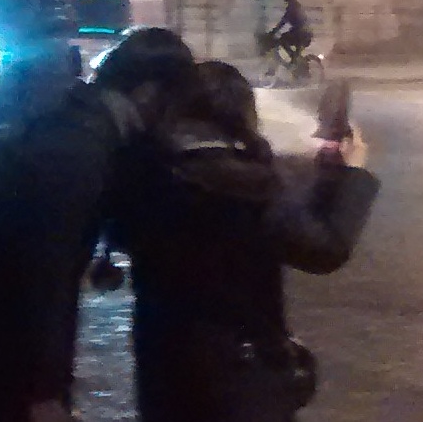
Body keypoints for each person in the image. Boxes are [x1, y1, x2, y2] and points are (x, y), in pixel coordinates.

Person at [113, 61, 378, 422]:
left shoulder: (148, 171)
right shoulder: (241, 182)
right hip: (240, 373)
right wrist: (353, 173)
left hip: (164, 364)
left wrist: (322, 177)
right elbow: (322, 248)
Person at [0, 26, 196, 422]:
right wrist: (44, 390)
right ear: (149, 93)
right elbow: (45, 271)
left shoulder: (79, 123)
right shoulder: (81, 147)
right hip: (1, 340)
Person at [268, 0, 311, 71]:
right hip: (303, 34)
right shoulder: (297, 8)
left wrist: (274, 31)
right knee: (285, 38)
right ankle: (294, 59)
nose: (287, 3)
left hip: (301, 35)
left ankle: (293, 57)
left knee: (282, 39)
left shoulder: (293, 8)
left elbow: (284, 21)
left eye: (288, 1)